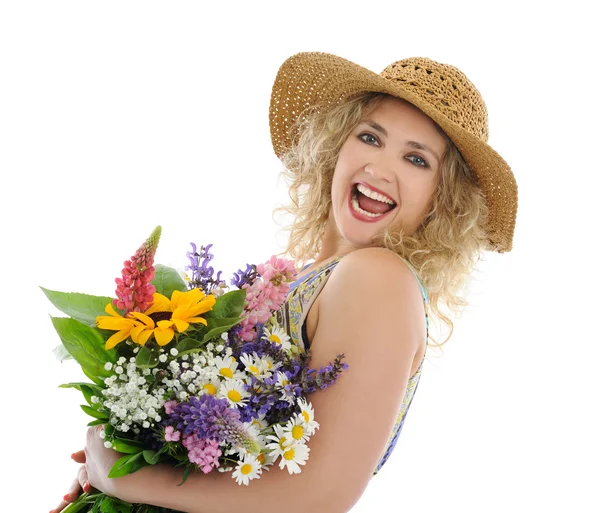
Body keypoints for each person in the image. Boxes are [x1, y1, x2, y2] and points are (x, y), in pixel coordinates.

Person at [51, 51, 518, 513]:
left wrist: (132, 479)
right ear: (336, 144)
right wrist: (119, 462)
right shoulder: (298, 279)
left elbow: (320, 494)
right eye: (370, 136)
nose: (381, 167)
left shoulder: (379, 278)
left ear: (443, 201)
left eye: (417, 159)